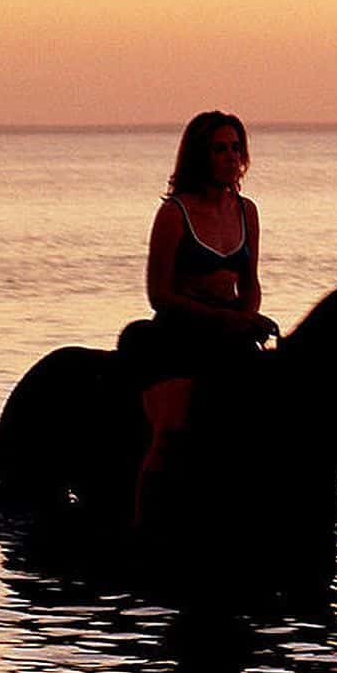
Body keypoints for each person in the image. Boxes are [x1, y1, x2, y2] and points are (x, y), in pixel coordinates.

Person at [131, 111, 278, 525]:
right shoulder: (175, 214)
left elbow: (250, 281)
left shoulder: (246, 211)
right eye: (220, 149)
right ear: (200, 156)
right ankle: (146, 518)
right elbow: (158, 294)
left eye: (236, 147)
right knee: (170, 429)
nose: (231, 156)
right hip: (180, 336)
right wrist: (223, 320)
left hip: (231, 333)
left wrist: (247, 317)